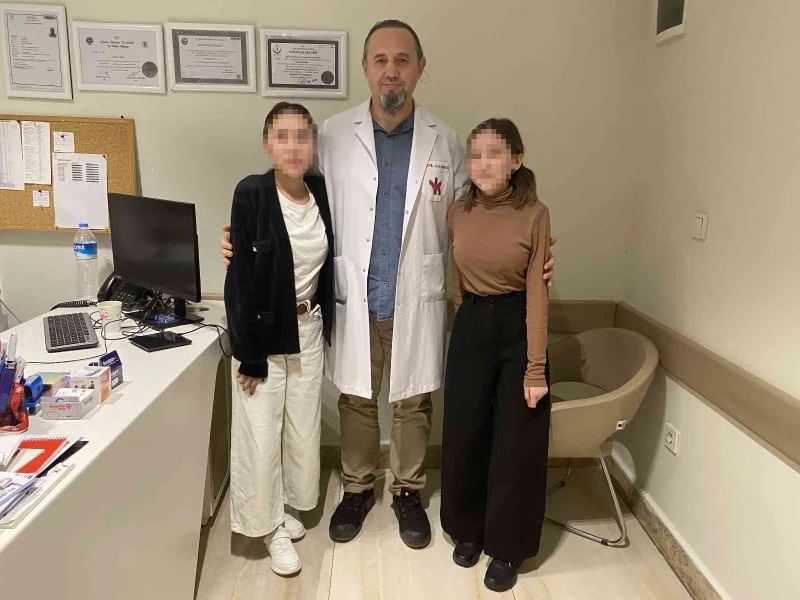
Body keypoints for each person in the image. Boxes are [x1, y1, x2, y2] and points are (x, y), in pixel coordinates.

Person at [220, 20, 557, 550]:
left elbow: (477, 211)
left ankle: (407, 491)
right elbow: (291, 188)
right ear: (365, 68)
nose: (391, 70)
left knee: (413, 401)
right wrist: (244, 236)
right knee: (356, 397)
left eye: (402, 60)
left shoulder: (445, 139)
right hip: (355, 294)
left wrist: (529, 251)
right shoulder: (334, 134)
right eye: (380, 60)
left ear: (420, 68)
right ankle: (357, 487)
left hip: (417, 297)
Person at [441, 119, 551, 592]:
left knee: (515, 441)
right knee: (464, 432)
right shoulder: (457, 211)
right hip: (471, 324)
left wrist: (535, 368)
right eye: (476, 154)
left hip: (517, 325)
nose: (483, 164)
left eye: (494, 153)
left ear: (516, 160)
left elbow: (538, 293)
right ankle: (468, 528)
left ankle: (508, 545)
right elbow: (456, 279)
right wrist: (462, 325)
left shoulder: (535, 214)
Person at [224, 102, 334, 576]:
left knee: (302, 428)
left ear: (313, 144)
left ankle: (285, 507)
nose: (293, 147)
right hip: (264, 337)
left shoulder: (320, 191)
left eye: (302, 137)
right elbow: (241, 279)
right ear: (267, 143)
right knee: (260, 434)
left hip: (308, 328)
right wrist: (249, 354)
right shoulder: (251, 193)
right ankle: (266, 528)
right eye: (282, 136)